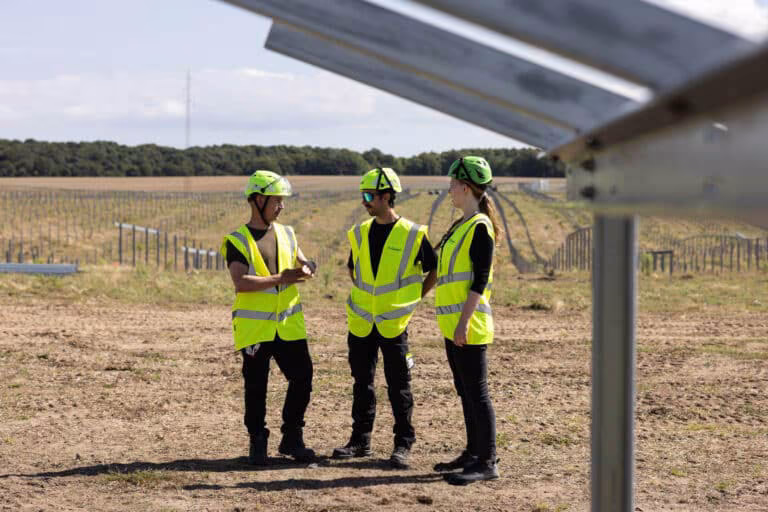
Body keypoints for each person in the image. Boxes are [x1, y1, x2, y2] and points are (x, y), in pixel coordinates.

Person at [332, 167, 438, 469]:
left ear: (387, 196)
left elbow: (433, 269)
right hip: (362, 321)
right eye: (362, 195)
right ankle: (360, 441)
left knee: (399, 386)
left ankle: (403, 444)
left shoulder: (413, 233)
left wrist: (414, 298)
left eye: (369, 195)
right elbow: (353, 268)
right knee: (361, 383)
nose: (365, 201)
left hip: (394, 323)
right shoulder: (359, 232)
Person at [220, 170, 317, 465]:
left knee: (302, 378)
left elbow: (304, 262)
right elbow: (241, 282)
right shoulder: (238, 240)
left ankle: (292, 438)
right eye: (277, 200)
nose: (282, 206)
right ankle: (257, 440)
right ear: (259, 199)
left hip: (288, 326)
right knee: (256, 386)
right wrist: (280, 278)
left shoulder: (287, 233)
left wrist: (309, 268)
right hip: (256, 328)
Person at [432, 156, 503, 485]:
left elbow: (479, 280)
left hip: (468, 325)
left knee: (478, 393)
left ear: (464, 187)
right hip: (454, 325)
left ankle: (487, 460)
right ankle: (473, 452)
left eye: (452, 185)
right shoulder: (462, 224)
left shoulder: (479, 228)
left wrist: (463, 322)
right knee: (466, 392)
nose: (449, 190)